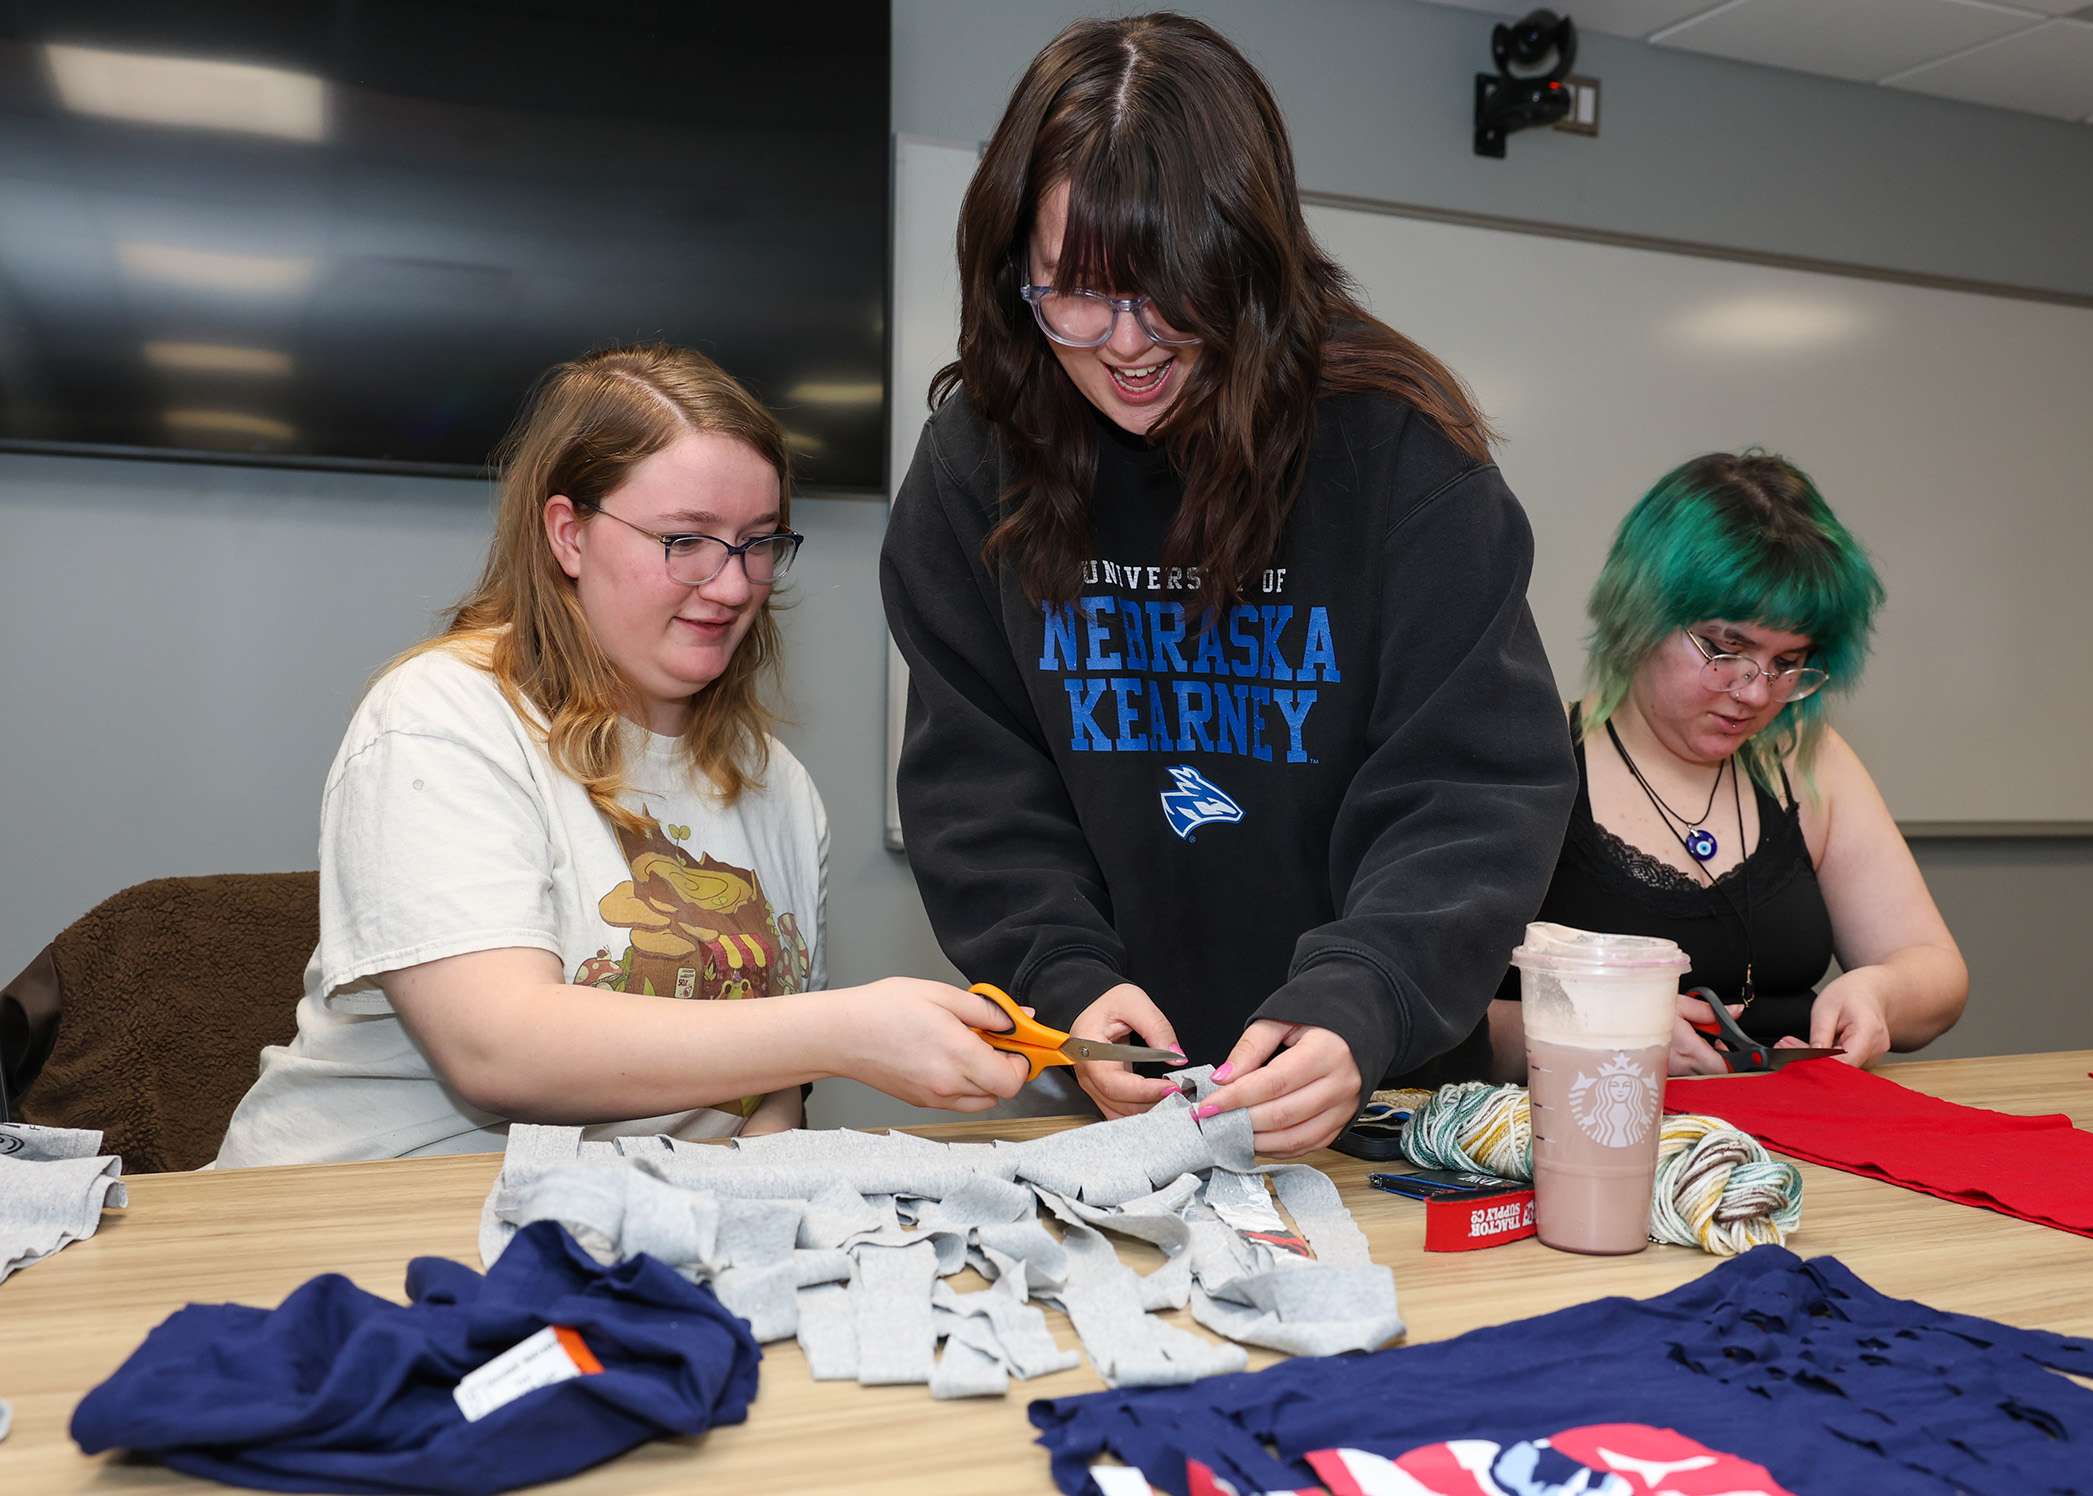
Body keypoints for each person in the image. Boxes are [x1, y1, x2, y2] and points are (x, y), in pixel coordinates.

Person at [881, 14, 1576, 1159]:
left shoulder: (1397, 452)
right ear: (1015, 275)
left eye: (1168, 295)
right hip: (1114, 1091)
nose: (1125, 345)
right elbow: (981, 783)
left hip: (1375, 1091)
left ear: (1249, 265)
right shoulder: (976, 462)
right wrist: (1062, 980)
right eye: (1072, 296)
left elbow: (1471, 788)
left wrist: (1366, 992)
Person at [216, 345, 1028, 1166]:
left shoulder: (775, 781)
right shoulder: (441, 718)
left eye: (757, 542)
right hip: (353, 1216)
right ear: (568, 533)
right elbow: (499, 1054)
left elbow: (772, 1091)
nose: (733, 584)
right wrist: (845, 1033)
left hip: (627, 1227)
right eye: (686, 540)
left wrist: (760, 1200)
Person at [1483, 452, 1969, 1080]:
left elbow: (1934, 969)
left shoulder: (1804, 761)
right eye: (1725, 648)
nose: (1756, 692)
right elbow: (1439, 1022)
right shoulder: (1534, 757)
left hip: (1793, 1142)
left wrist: (1881, 994)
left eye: (1789, 661)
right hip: (1591, 1133)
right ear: (1640, 615)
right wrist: (1595, 1033)